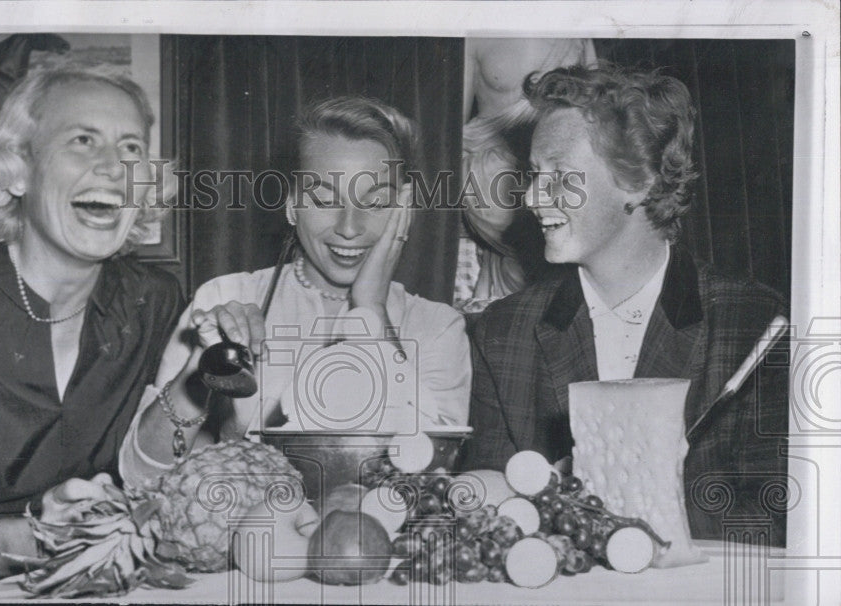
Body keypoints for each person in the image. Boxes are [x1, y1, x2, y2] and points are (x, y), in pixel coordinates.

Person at [460, 64, 789, 545]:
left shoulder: (754, 324)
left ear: (639, 181)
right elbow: (485, 518)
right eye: (535, 174)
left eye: (561, 176)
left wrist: (593, 498)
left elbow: (781, 517)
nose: (532, 197)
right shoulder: (502, 332)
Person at [0, 66, 182, 597]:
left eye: (132, 148)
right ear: (18, 169)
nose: (115, 167)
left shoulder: (154, 300)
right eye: (82, 140)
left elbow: (169, 481)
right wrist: (29, 542)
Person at [119, 96, 471, 488]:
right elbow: (140, 476)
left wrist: (370, 309)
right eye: (323, 199)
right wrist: (198, 374)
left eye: (376, 202)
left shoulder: (438, 328)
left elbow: (428, 477)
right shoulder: (225, 297)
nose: (349, 227)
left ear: (403, 209)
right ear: (291, 205)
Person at [456, 38, 597, 312]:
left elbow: (599, 111)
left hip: (559, 165)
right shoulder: (475, 31)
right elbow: (451, 129)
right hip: (493, 165)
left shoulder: (579, 30)